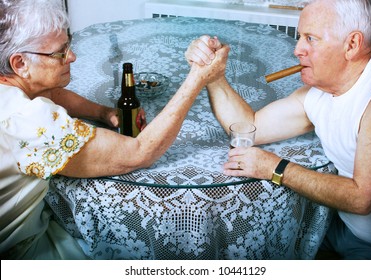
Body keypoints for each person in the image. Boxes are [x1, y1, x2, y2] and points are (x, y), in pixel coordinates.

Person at [0, 0, 228, 259]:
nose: (72, 56)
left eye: (69, 45)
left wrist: (104, 113)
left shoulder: (12, 84)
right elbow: (139, 152)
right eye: (60, 53)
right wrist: (198, 77)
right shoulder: (28, 119)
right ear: (20, 64)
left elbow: (50, 91)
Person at [185, 0, 371, 259]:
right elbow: (251, 127)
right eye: (300, 37)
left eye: (310, 38)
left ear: (351, 44)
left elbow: (362, 199)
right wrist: (214, 75)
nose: (297, 50)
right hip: (335, 224)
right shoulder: (318, 94)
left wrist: (275, 168)